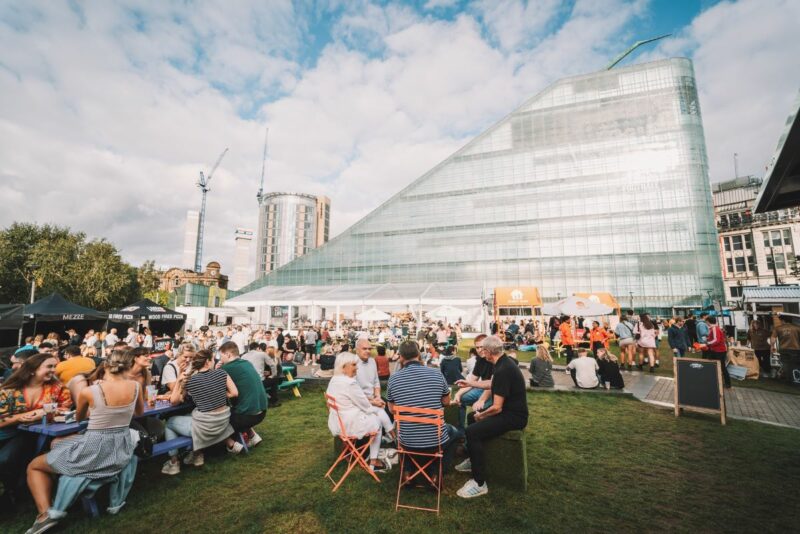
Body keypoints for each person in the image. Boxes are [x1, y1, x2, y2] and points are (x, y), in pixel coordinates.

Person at [25, 350, 143, 534]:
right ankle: (59, 499)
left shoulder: (90, 391)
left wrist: (97, 407)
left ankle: (46, 515)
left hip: (94, 448)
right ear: (127, 367)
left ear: (104, 367)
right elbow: (139, 413)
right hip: (120, 446)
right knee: (57, 444)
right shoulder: (135, 386)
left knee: (34, 465)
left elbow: (79, 418)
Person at [455, 335, 527, 499]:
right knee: (473, 417)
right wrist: (471, 384)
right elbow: (492, 384)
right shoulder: (503, 362)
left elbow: (496, 408)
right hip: (509, 412)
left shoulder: (502, 369)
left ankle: (479, 483)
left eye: (482, 349)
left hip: (514, 417)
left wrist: (483, 415)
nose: (481, 352)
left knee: (472, 431)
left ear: (488, 352)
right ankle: (474, 459)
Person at [0, 353, 73, 510]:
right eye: (49, 366)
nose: (54, 370)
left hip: (32, 434)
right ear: (32, 370)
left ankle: (13, 492)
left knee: (5, 459)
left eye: (55, 366)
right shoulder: (9, 390)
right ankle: (13, 491)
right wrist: (20, 417)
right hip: (7, 432)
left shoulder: (56, 388)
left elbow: (66, 407)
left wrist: (47, 412)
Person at [387, 341, 463, 483]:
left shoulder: (394, 379)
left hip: (407, 440)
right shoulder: (436, 374)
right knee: (455, 432)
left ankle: (408, 471)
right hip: (435, 440)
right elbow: (446, 402)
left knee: (401, 433)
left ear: (401, 357)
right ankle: (436, 472)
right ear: (419, 355)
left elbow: (392, 409)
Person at [161, 350, 243, 475]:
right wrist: (219, 393)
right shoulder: (222, 373)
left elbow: (174, 401)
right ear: (207, 362)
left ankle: (174, 462)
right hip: (221, 422)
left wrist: (178, 380)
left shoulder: (191, 381)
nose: (214, 361)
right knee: (189, 416)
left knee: (170, 422)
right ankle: (195, 453)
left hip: (205, 427)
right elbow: (234, 393)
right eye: (213, 359)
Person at [326, 352, 394, 473]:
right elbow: (366, 407)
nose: (357, 367)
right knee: (377, 421)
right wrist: (378, 404)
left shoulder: (334, 380)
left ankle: (391, 435)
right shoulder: (350, 383)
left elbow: (357, 400)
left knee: (378, 411)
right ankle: (374, 460)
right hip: (350, 424)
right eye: (353, 365)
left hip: (338, 422)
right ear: (343, 367)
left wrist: (374, 403)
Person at [219, 342, 267, 448]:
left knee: (215, 420)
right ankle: (253, 436)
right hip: (262, 412)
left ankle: (232, 445)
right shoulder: (246, 363)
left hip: (246, 416)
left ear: (228, 354)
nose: (220, 359)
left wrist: (217, 369)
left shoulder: (225, 369)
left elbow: (214, 390)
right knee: (238, 406)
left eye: (221, 356)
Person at [453, 334, 493, 429]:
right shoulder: (480, 360)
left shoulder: (494, 359)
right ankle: (460, 432)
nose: (479, 350)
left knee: (480, 411)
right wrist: (458, 394)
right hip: (482, 389)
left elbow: (492, 385)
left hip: (493, 392)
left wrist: (481, 400)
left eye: (481, 347)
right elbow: (471, 380)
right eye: (477, 347)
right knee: (459, 400)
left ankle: (474, 434)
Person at [771, 314, 800, 386]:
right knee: (795, 365)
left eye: (780, 320)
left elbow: (773, 339)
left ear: (783, 320)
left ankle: (789, 381)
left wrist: (772, 347)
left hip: (784, 349)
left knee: (786, 365)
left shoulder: (778, 328)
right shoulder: (797, 328)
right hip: (796, 349)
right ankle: (796, 379)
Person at [354, 338, 384, 409]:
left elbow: (376, 382)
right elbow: (353, 392)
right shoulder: (352, 363)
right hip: (359, 402)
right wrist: (373, 402)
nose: (368, 351)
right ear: (357, 350)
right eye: (364, 349)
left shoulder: (372, 361)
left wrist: (378, 396)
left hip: (373, 398)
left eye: (369, 349)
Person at [703, 316, 730, 388]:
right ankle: (716, 381)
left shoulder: (715, 328)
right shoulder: (714, 328)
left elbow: (716, 340)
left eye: (706, 321)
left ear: (708, 321)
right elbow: (714, 338)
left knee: (722, 367)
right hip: (716, 350)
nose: (706, 323)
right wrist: (708, 339)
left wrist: (707, 343)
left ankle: (727, 383)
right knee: (715, 365)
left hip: (719, 351)